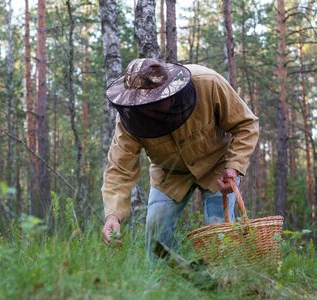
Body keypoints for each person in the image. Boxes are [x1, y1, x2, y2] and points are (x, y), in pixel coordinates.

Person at [101, 58, 259, 257]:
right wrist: (113, 216)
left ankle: (224, 282)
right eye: (145, 105)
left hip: (218, 167)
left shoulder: (207, 83)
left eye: (156, 101)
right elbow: (119, 168)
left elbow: (246, 125)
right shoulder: (129, 117)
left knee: (219, 230)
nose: (150, 109)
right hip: (169, 173)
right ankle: (166, 282)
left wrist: (234, 167)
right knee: (155, 228)